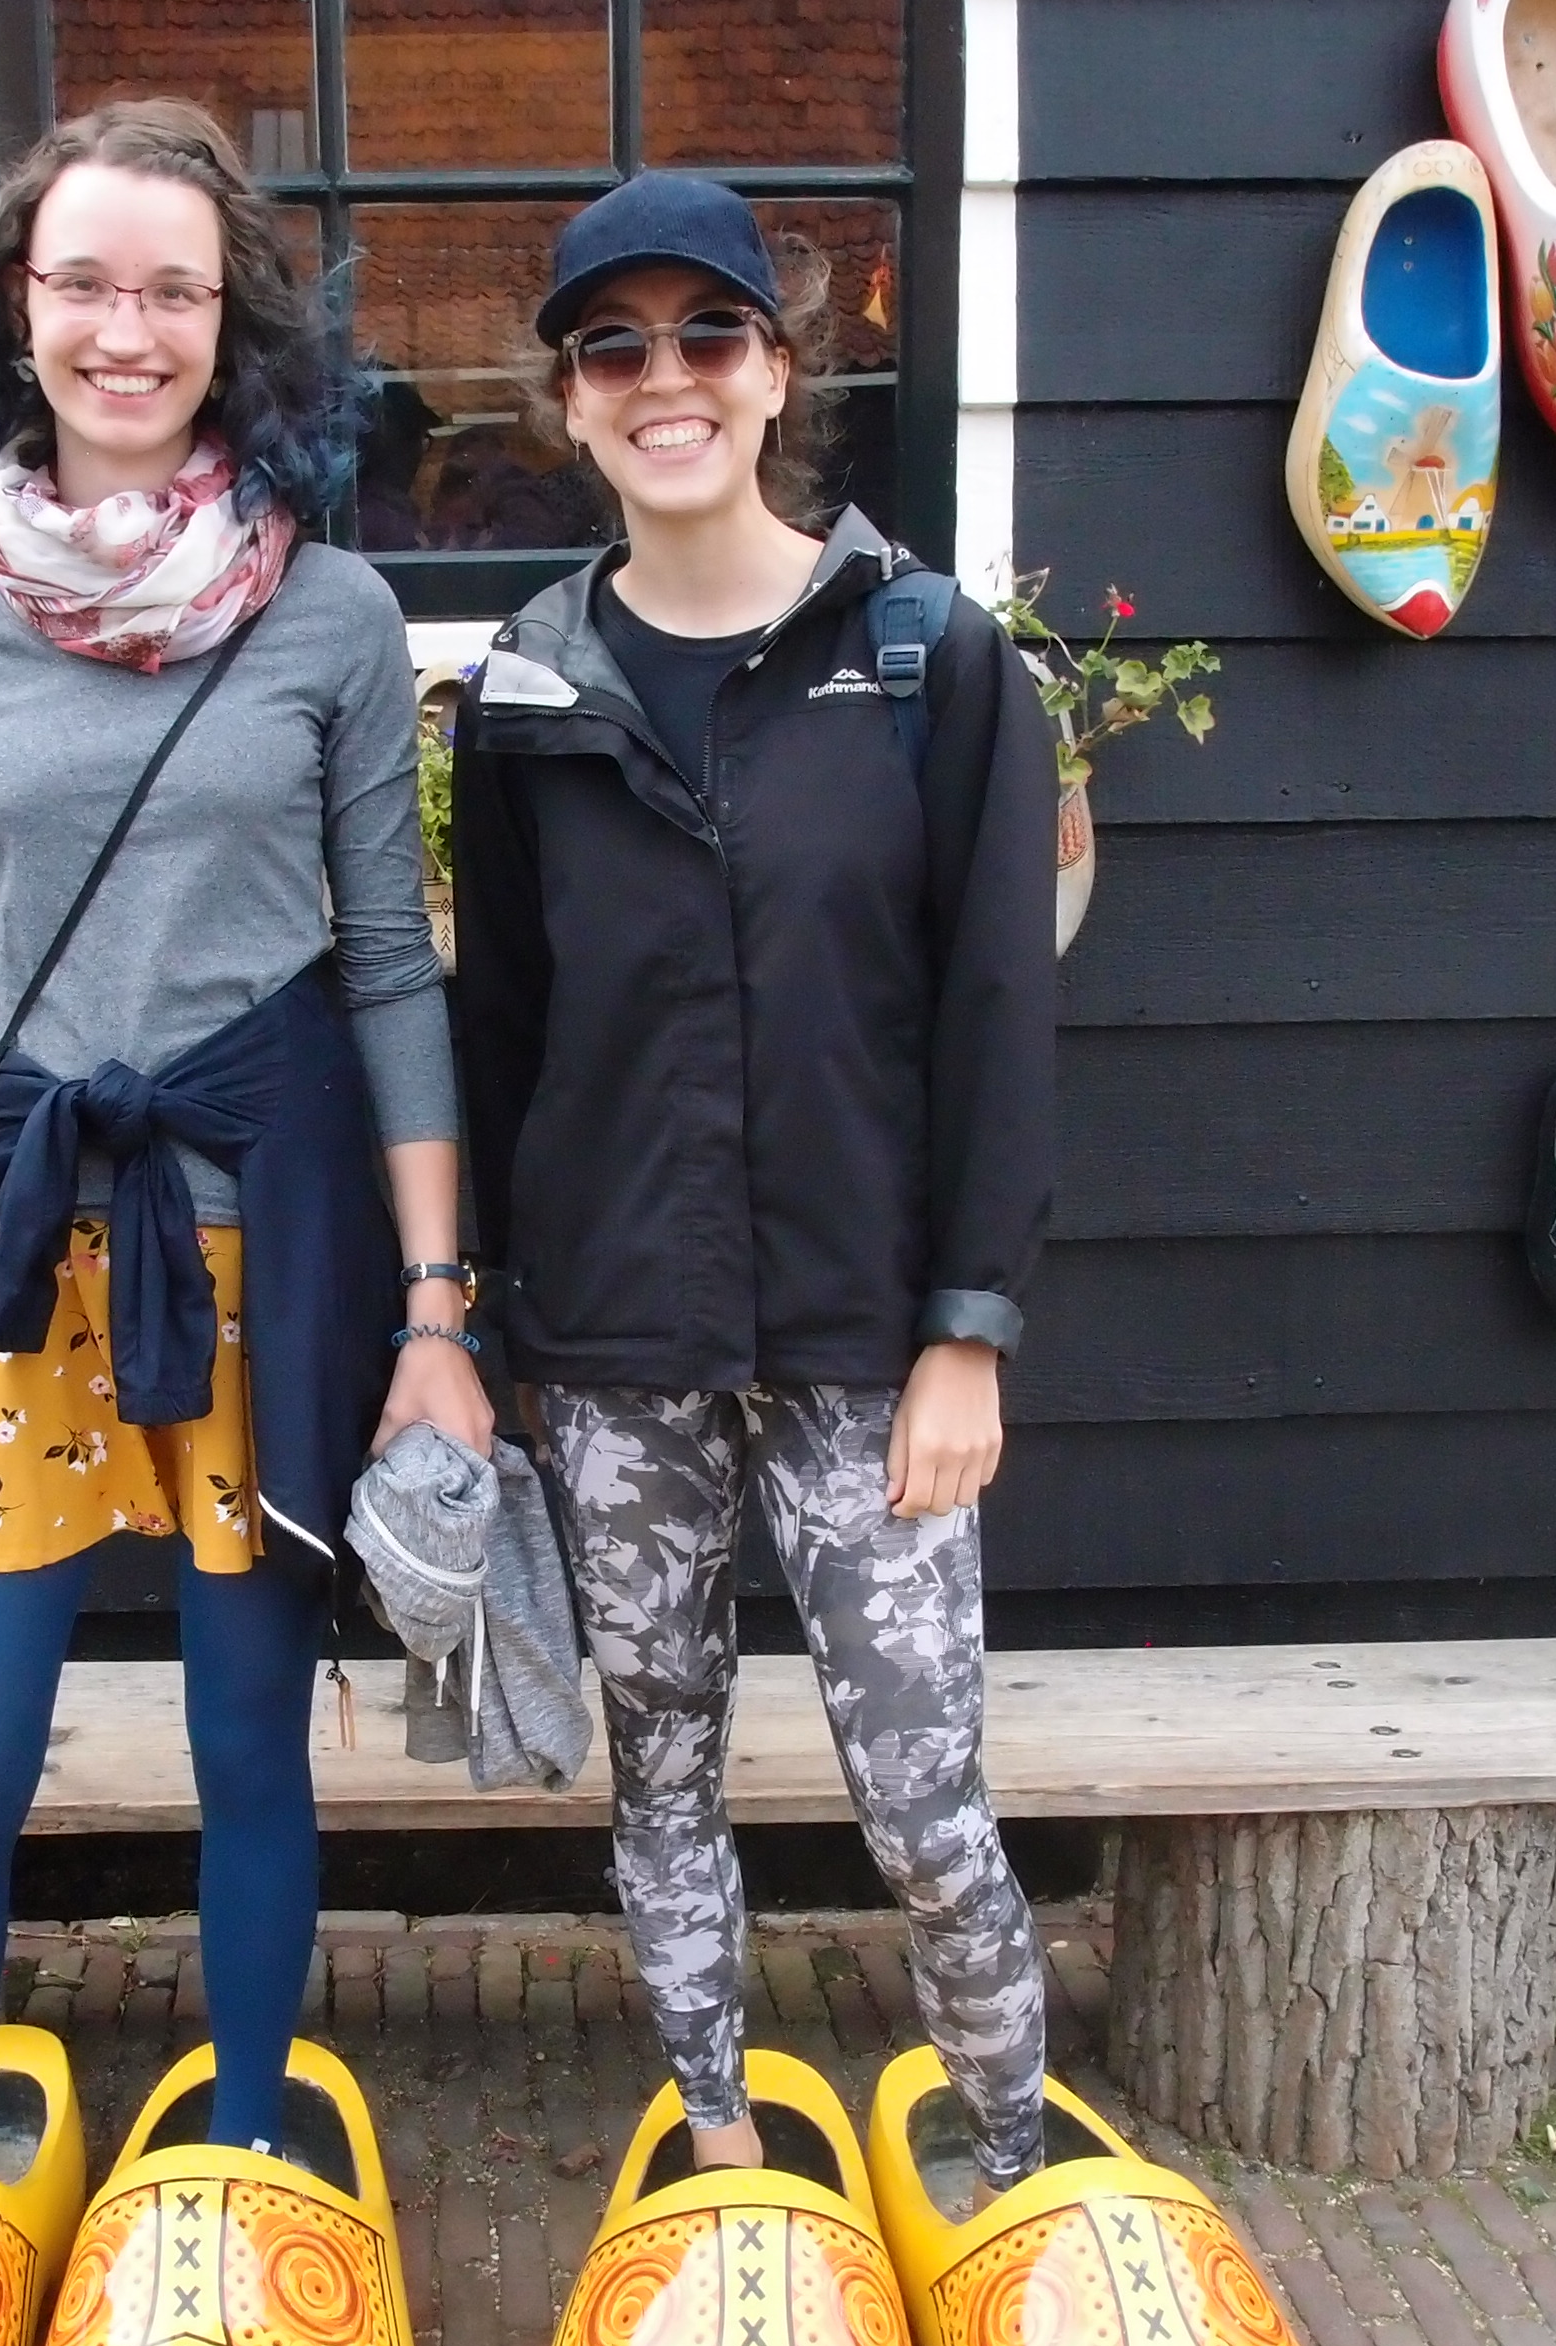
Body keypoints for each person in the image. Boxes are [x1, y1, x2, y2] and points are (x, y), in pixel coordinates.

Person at [0, 96, 496, 2163]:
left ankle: (251, 2147)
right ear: (18, 302)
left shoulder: (330, 617)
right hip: (21, 1248)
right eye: (84, 280)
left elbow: (387, 963)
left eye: (173, 288)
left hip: (268, 1242)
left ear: (227, 322)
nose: (126, 330)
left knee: (252, 1745)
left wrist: (438, 1304)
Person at [448, 175, 1065, 2193]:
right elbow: (503, 1031)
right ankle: (717, 2136)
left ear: (778, 370)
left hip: (866, 1340)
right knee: (668, 1767)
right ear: (569, 400)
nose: (664, 378)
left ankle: (1011, 2146)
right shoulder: (530, 695)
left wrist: (967, 1327)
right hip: (619, 1341)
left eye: (705, 336)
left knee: (922, 1794)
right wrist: (479, 1317)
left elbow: (992, 1008)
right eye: (611, 347)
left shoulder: (929, 659)